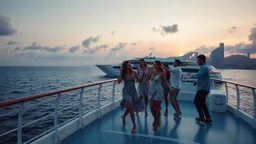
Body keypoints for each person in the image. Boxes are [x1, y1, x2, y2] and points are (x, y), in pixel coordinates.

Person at [118, 61, 145, 133]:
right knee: (130, 106)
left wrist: (142, 75)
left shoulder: (134, 73)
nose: (130, 66)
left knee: (131, 107)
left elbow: (140, 81)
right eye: (128, 65)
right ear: (125, 67)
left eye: (130, 65)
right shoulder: (123, 74)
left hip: (133, 92)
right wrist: (121, 71)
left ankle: (123, 116)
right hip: (126, 92)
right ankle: (134, 125)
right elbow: (118, 81)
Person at [146, 60, 173, 130]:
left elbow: (165, 82)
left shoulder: (162, 73)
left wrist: (170, 87)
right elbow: (146, 80)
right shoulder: (151, 72)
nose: (154, 65)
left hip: (158, 91)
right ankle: (156, 119)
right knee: (151, 107)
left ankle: (157, 122)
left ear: (158, 65)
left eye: (155, 64)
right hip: (151, 91)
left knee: (157, 107)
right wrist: (149, 73)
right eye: (153, 64)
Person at [188, 54, 212, 123]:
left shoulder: (204, 67)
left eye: (198, 60)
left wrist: (190, 74)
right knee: (202, 103)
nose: (197, 61)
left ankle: (203, 117)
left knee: (196, 102)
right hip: (204, 88)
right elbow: (201, 76)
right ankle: (208, 118)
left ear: (202, 60)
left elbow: (198, 75)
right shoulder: (204, 67)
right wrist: (197, 81)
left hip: (203, 89)